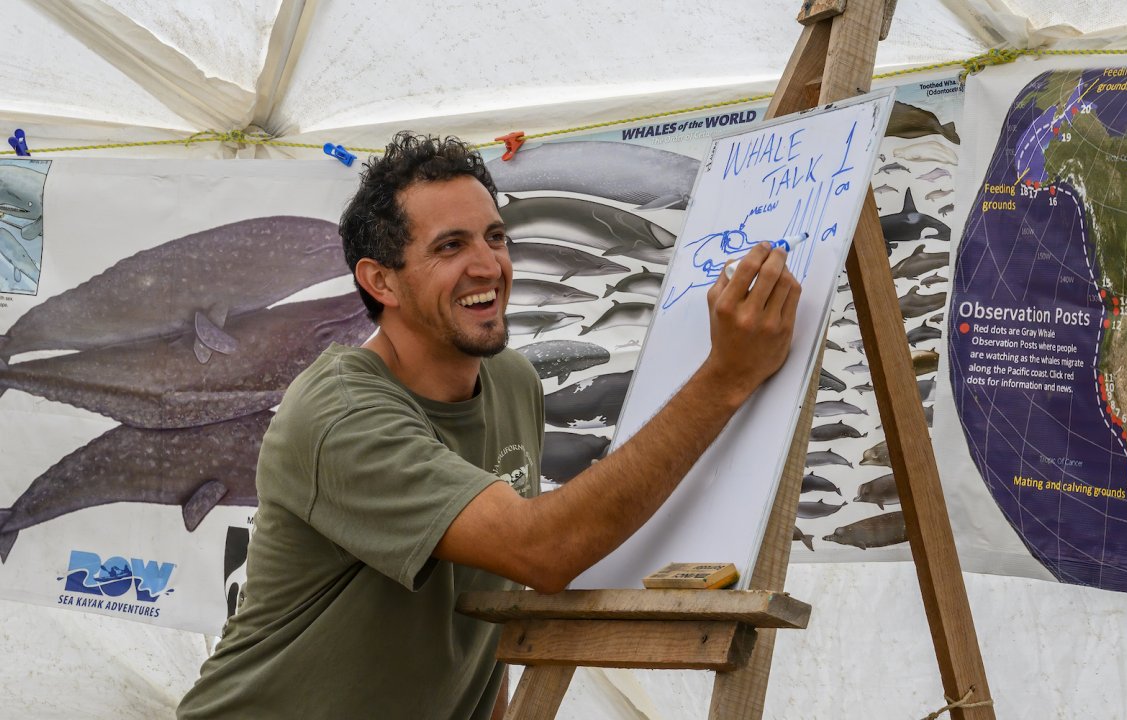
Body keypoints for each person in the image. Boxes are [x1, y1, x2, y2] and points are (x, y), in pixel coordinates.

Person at [177, 132, 800, 719]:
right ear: (380, 280)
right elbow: (541, 550)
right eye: (451, 246)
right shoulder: (339, 415)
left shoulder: (511, 381)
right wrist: (726, 377)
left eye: (495, 237)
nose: (489, 266)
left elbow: (487, 600)